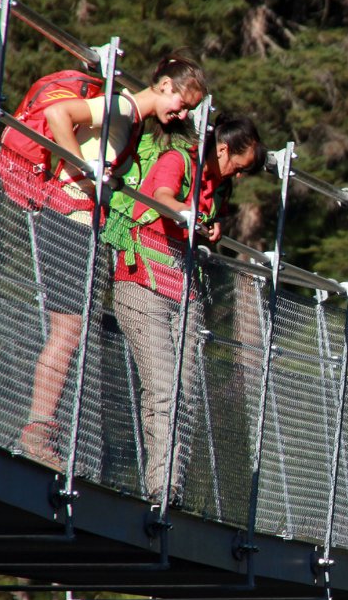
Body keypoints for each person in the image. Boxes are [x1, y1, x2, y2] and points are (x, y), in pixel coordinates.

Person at [18, 55, 209, 467]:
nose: (181, 113)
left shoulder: (130, 120)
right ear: (163, 85)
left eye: (190, 109)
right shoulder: (121, 107)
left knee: (71, 330)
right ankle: (37, 435)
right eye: (181, 102)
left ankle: (41, 432)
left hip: (79, 221)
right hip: (72, 218)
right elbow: (57, 114)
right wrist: (82, 166)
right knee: (67, 332)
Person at [111, 116, 262, 504]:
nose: (239, 176)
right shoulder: (180, 160)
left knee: (186, 394)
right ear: (223, 149)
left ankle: (170, 487)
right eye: (239, 166)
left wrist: (212, 228)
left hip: (184, 291)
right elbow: (162, 197)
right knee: (164, 389)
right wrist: (192, 213)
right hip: (142, 280)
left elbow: (196, 219)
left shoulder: (216, 186)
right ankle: (161, 488)